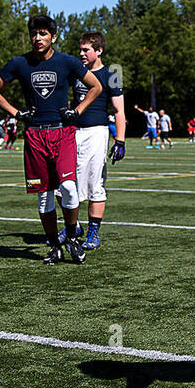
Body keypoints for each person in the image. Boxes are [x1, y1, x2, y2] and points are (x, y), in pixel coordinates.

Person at [0, 15, 103, 265]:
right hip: (35, 135)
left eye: (43, 33)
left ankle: (71, 235)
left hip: (63, 133)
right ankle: (53, 245)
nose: (37, 38)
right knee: (44, 196)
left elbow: (96, 87)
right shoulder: (20, 63)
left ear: (53, 37)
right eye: (34, 34)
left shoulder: (67, 61)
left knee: (69, 188)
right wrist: (17, 113)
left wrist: (78, 111)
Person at [67, 31, 127, 250]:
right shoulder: (75, 73)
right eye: (80, 50)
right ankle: (74, 227)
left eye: (86, 50)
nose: (81, 54)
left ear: (99, 51)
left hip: (96, 132)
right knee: (63, 183)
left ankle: (93, 232)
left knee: (95, 184)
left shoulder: (111, 75)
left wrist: (119, 140)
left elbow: (119, 111)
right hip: (73, 132)